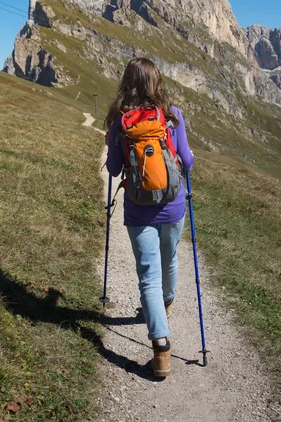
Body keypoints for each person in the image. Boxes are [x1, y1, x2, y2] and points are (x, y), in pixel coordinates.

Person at [105, 57, 194, 378]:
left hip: (138, 209)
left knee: (147, 274)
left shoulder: (121, 122)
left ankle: (160, 348)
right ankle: (166, 304)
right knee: (170, 262)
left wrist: (112, 144)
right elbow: (186, 161)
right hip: (173, 206)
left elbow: (114, 170)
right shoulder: (173, 117)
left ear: (127, 83)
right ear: (156, 83)